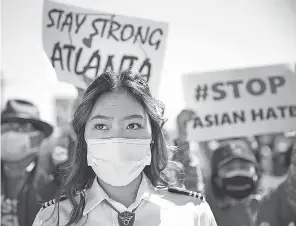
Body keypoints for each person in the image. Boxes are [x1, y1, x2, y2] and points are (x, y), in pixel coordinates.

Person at [33, 70, 217, 226]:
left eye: (133, 125)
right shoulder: (52, 218)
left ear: (153, 136)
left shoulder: (193, 213)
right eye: (101, 126)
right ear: (84, 138)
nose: (117, 138)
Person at [177, 109, 296, 226]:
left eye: (244, 166)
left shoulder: (274, 199)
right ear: (217, 178)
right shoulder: (208, 206)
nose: (238, 172)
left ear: (256, 171)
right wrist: (184, 137)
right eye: (229, 169)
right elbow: (188, 182)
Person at [1, 99, 58, 226]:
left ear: (39, 137)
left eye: (21, 127)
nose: (10, 133)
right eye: (6, 126)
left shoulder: (57, 180)